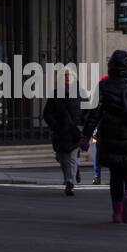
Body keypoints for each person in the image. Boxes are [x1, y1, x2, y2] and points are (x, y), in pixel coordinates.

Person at [79, 50, 127, 224]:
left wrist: (86, 136)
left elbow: (95, 113)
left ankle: (117, 212)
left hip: (110, 138)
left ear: (111, 66)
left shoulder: (104, 86)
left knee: (116, 176)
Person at [42, 68, 82, 196]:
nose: (67, 78)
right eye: (64, 75)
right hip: (60, 132)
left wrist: (83, 128)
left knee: (72, 156)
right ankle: (69, 177)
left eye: (69, 75)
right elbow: (47, 114)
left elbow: (87, 111)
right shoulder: (55, 95)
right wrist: (55, 125)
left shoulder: (79, 94)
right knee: (63, 158)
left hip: (74, 132)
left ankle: (70, 183)